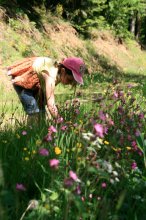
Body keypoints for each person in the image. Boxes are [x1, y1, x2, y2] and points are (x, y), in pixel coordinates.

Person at [7, 56, 85, 120]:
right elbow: (51, 105)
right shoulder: (51, 76)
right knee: (34, 113)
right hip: (24, 79)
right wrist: (60, 122)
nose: (70, 83)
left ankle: (37, 133)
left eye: (73, 81)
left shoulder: (59, 73)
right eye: (70, 79)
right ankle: (29, 136)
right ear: (63, 71)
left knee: (41, 113)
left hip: (36, 83)